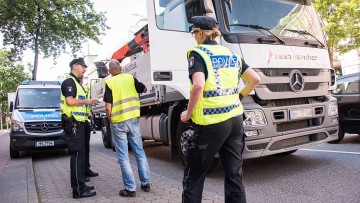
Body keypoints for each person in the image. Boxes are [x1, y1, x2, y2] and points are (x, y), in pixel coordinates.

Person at [180, 16, 261, 203]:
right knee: (234, 174)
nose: (194, 37)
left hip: (212, 123)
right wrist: (238, 97)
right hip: (235, 120)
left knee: (194, 175)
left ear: (200, 33)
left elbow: (198, 86)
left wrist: (188, 114)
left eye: (194, 33)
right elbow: (255, 79)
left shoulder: (198, 54)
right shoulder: (232, 55)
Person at [104, 59, 151, 197]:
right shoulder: (130, 78)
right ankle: (145, 183)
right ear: (121, 68)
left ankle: (130, 189)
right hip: (133, 120)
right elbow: (144, 89)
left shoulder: (109, 83)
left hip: (118, 122)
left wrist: (111, 120)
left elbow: (108, 107)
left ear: (109, 72)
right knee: (139, 152)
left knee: (123, 157)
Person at [60, 57, 99, 199]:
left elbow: (77, 103)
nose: (85, 69)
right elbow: (70, 101)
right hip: (74, 124)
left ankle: (81, 185)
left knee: (80, 156)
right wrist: (87, 101)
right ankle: (78, 190)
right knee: (77, 156)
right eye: (83, 66)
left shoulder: (76, 83)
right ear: (75, 66)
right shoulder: (69, 82)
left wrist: (88, 104)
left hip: (80, 123)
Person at [79, 78, 99, 179]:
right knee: (81, 149)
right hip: (78, 121)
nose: (83, 80)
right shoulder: (73, 87)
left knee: (86, 148)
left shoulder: (82, 89)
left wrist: (90, 103)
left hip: (84, 120)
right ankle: (81, 173)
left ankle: (86, 169)